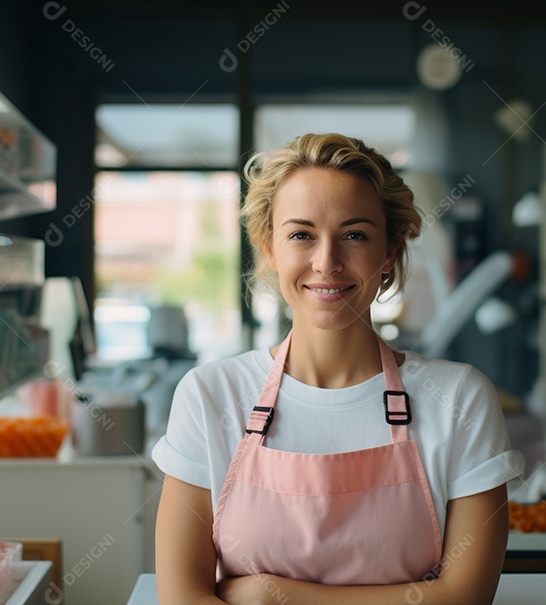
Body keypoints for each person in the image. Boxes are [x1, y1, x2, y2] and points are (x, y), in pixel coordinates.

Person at [153, 133, 525, 604]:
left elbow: (464, 599)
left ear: (388, 251)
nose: (326, 262)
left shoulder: (460, 398)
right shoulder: (210, 394)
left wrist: (271, 597)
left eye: (354, 235)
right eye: (301, 235)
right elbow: (182, 599)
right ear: (270, 247)